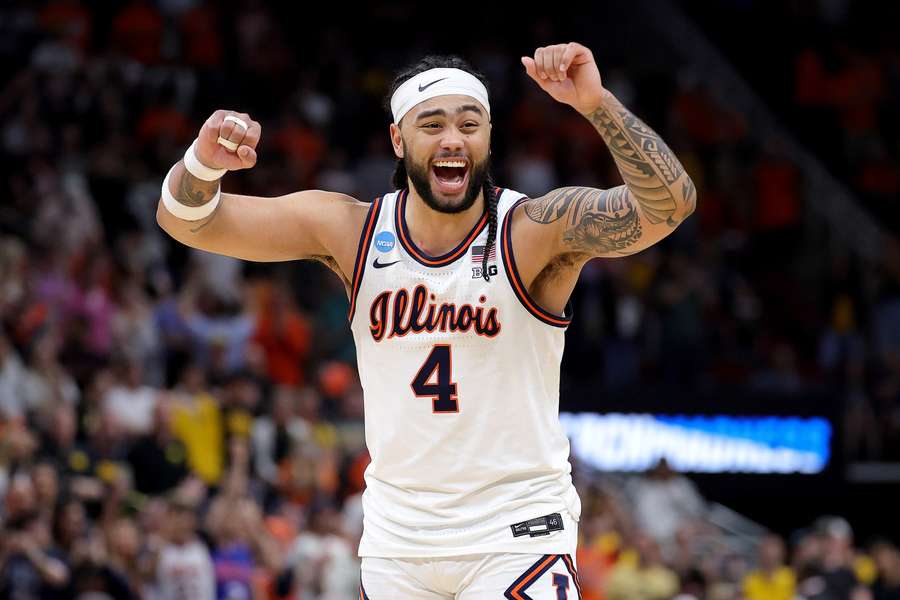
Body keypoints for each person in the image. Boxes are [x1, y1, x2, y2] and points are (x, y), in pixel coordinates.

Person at [157, 42, 696, 599]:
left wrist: (596, 103)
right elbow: (187, 221)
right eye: (432, 123)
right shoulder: (351, 231)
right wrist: (203, 163)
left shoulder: (531, 230)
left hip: (515, 535)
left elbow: (668, 205)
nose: (453, 139)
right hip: (398, 545)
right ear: (398, 139)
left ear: (488, 135)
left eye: (470, 123)